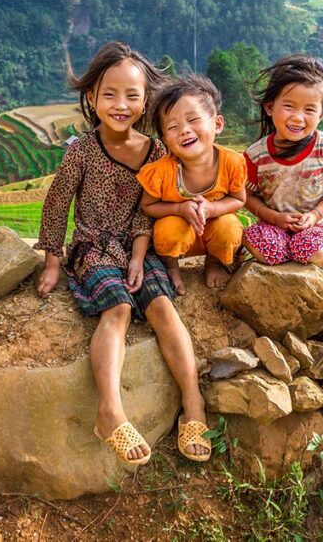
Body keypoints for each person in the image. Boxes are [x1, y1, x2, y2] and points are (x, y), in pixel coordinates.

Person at [35, 41, 211, 465]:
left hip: (138, 245)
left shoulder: (155, 151)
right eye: (109, 94)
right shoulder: (81, 151)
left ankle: (194, 405)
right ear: (91, 98)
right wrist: (53, 261)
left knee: (163, 307)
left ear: (146, 100)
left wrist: (140, 255)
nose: (120, 104)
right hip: (93, 246)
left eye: (132, 95)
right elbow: (57, 204)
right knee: (118, 309)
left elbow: (145, 210)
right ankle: (110, 412)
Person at [242, 54, 323, 294]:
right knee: (261, 246)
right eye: (289, 106)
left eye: (309, 109)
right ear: (270, 107)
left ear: (321, 115)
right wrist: (272, 217)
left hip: (313, 225)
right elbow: (246, 195)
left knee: (313, 250)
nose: (298, 117)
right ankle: (283, 248)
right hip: (273, 224)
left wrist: (315, 215)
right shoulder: (255, 155)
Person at [137, 74, 246, 292]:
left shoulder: (232, 163)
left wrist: (213, 208)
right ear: (166, 140)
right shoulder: (159, 172)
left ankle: (214, 262)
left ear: (218, 124)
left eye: (193, 120)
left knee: (230, 227)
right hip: (180, 235)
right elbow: (148, 206)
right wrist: (179, 208)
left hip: (213, 231)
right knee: (168, 229)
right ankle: (171, 267)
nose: (184, 130)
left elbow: (238, 199)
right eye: (173, 127)